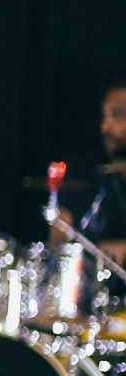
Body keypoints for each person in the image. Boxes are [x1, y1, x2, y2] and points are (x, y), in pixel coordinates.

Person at [70, 82, 126, 263]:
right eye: (104, 116)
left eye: (118, 115)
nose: (105, 127)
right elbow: (59, 248)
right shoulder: (82, 175)